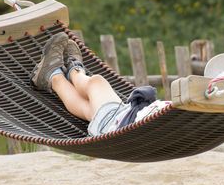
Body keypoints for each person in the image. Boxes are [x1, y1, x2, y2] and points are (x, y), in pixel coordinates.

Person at [30, 32, 171, 136]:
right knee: (87, 107)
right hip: (115, 127)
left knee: (96, 82)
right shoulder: (183, 118)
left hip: (120, 123)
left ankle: (74, 71)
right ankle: (54, 76)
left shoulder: (183, 112)